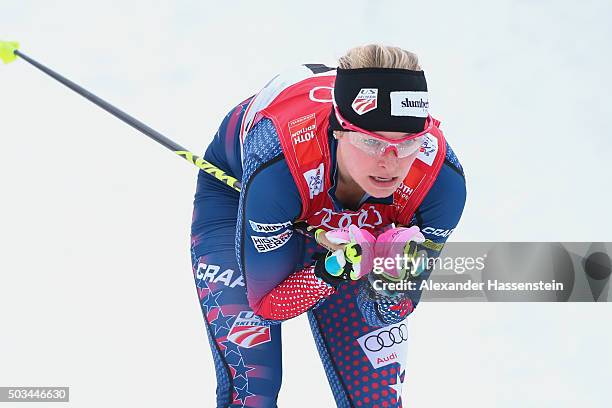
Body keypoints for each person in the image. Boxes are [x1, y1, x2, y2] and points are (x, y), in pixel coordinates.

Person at [190, 44, 466, 408]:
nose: (390, 162)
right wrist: (332, 270)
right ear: (339, 129)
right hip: (246, 196)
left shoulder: (438, 183)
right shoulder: (280, 163)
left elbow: (385, 312)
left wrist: (389, 281)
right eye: (370, 141)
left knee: (377, 402)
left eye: (408, 143)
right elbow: (268, 304)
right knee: (253, 390)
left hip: (337, 219)